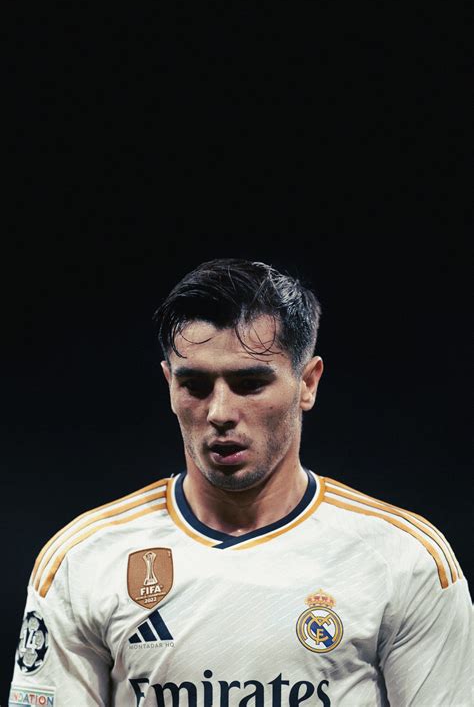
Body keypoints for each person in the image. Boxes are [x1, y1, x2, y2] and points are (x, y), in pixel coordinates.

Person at [9, 258, 472, 706]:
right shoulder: (84, 559)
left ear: (307, 383)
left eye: (249, 383)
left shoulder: (403, 559)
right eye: (195, 386)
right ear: (169, 384)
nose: (220, 412)